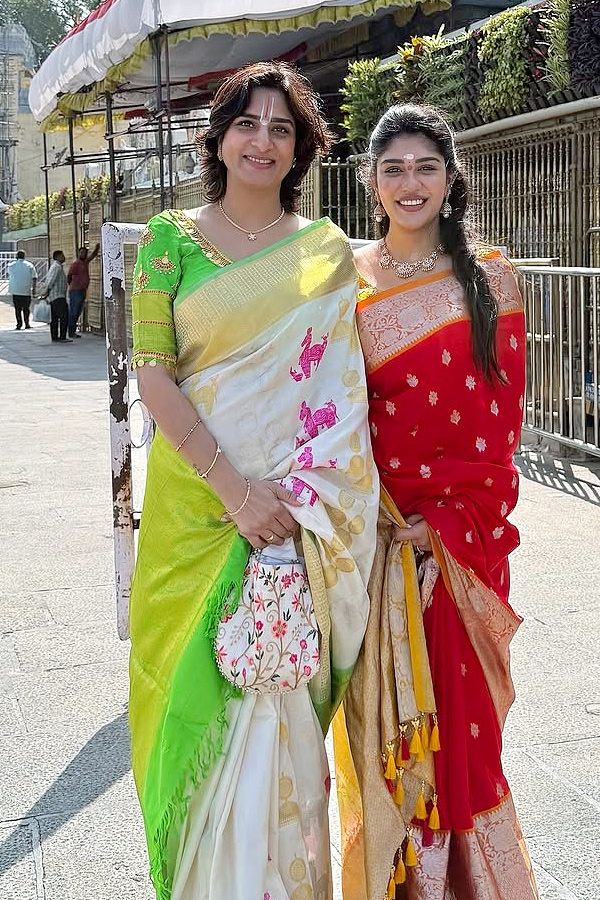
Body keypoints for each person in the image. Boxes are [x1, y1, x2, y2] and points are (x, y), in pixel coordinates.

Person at [128, 62, 378, 900]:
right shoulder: (168, 241)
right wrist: (236, 492)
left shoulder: (325, 253)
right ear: (219, 136)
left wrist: (294, 504)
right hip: (196, 514)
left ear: (302, 147)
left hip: (293, 521)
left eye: (282, 127)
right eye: (248, 123)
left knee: (280, 713)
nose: (263, 140)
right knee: (193, 712)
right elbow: (154, 375)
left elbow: (343, 397)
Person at [333, 104, 539, 900]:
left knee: (465, 739)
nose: (410, 183)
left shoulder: (491, 275)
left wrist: (444, 529)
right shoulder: (347, 283)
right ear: (371, 184)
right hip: (378, 546)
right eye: (394, 169)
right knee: (390, 733)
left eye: (425, 167)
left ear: (451, 179)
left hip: (456, 548)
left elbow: (500, 430)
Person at [67, 242, 99, 337]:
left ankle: (72, 331)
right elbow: (69, 276)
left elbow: (92, 256)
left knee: (78, 311)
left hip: (82, 290)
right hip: (75, 291)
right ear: (78, 253)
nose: (83, 254)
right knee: (74, 311)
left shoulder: (85, 263)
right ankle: (71, 332)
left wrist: (97, 248)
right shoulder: (76, 264)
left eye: (84, 253)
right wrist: (73, 285)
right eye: (81, 253)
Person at [43, 250, 72, 343]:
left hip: (55, 296)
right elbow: (51, 280)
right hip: (57, 296)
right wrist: (46, 292)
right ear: (58, 256)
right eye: (62, 255)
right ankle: (62, 336)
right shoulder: (57, 267)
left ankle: (55, 336)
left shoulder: (55, 266)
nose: (64, 257)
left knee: (55, 318)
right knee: (64, 316)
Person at [8, 250, 37, 330]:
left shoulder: (11, 265)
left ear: (16, 256)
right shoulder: (30, 265)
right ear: (24, 256)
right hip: (26, 291)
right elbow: (34, 277)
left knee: (17, 309)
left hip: (16, 291)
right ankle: (27, 323)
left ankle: (19, 324)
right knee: (26, 308)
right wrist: (34, 290)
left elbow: (10, 273)